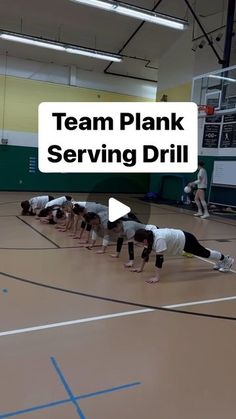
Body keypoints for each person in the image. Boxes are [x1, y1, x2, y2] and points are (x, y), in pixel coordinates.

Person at [131, 226, 234, 283]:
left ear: (144, 240)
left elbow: (160, 260)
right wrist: (140, 268)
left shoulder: (158, 239)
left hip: (186, 240)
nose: (139, 245)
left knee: (204, 253)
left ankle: (227, 260)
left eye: (139, 243)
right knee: (202, 251)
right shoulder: (148, 238)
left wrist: (157, 277)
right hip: (181, 240)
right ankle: (222, 260)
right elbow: (145, 253)